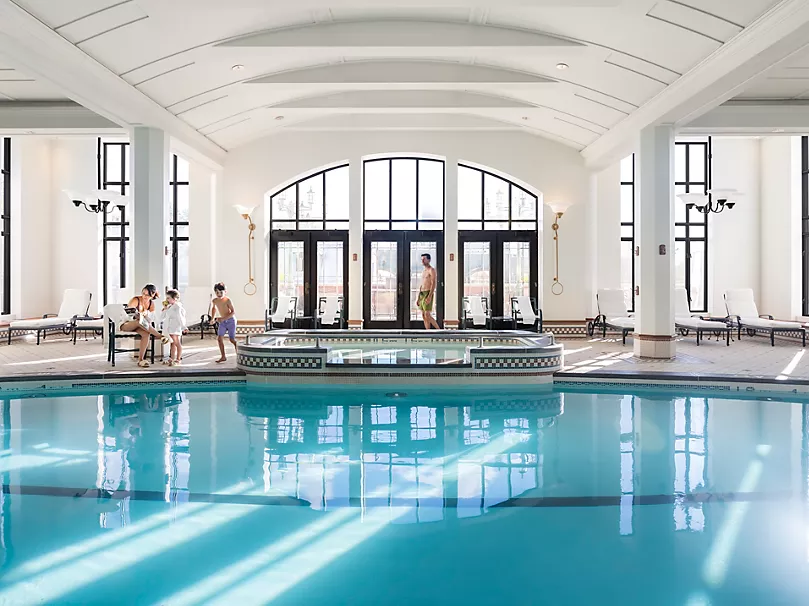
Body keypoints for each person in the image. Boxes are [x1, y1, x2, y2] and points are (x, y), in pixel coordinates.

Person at [120, 284, 169, 368]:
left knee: (146, 334)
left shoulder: (151, 304)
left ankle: (141, 360)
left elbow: (150, 320)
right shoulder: (136, 300)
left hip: (140, 325)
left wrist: (146, 315)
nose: (144, 296)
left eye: (147, 294)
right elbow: (127, 314)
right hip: (126, 324)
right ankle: (160, 336)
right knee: (139, 321)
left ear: (152, 295)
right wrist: (138, 315)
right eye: (143, 293)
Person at [211, 282, 237, 363]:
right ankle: (223, 356)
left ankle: (239, 354)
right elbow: (214, 308)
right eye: (217, 292)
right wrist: (212, 318)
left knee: (232, 339)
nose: (219, 294)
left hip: (231, 321)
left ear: (225, 292)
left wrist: (224, 318)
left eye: (221, 292)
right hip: (222, 321)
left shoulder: (227, 300)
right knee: (219, 339)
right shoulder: (214, 300)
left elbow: (233, 312)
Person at [161, 289, 187, 366]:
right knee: (172, 344)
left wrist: (183, 327)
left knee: (177, 343)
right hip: (170, 328)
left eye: (168, 298)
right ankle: (172, 358)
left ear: (174, 298)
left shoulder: (178, 307)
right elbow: (162, 317)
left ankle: (178, 359)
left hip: (175, 327)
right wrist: (164, 309)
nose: (167, 300)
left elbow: (180, 317)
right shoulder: (169, 307)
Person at [416, 253, 440, 330]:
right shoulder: (424, 271)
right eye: (422, 259)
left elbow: (433, 283)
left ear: (429, 260)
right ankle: (428, 331)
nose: (422, 260)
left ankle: (439, 330)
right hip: (422, 294)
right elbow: (422, 284)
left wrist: (429, 296)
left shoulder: (431, 270)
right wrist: (418, 298)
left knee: (427, 314)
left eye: (424, 259)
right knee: (423, 314)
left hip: (428, 293)